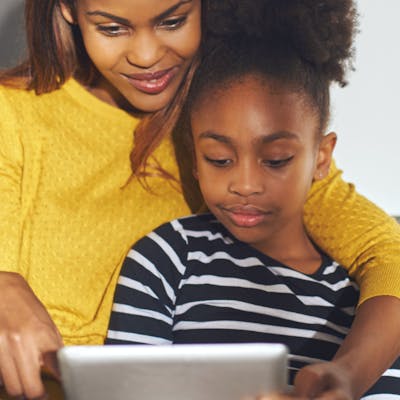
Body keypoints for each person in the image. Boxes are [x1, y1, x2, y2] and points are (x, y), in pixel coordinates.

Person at [0, 0, 400, 399]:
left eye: (173, 21)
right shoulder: (13, 117)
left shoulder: (230, 122)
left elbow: (388, 258)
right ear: (69, 10)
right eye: (111, 28)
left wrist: (347, 376)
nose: (146, 56)